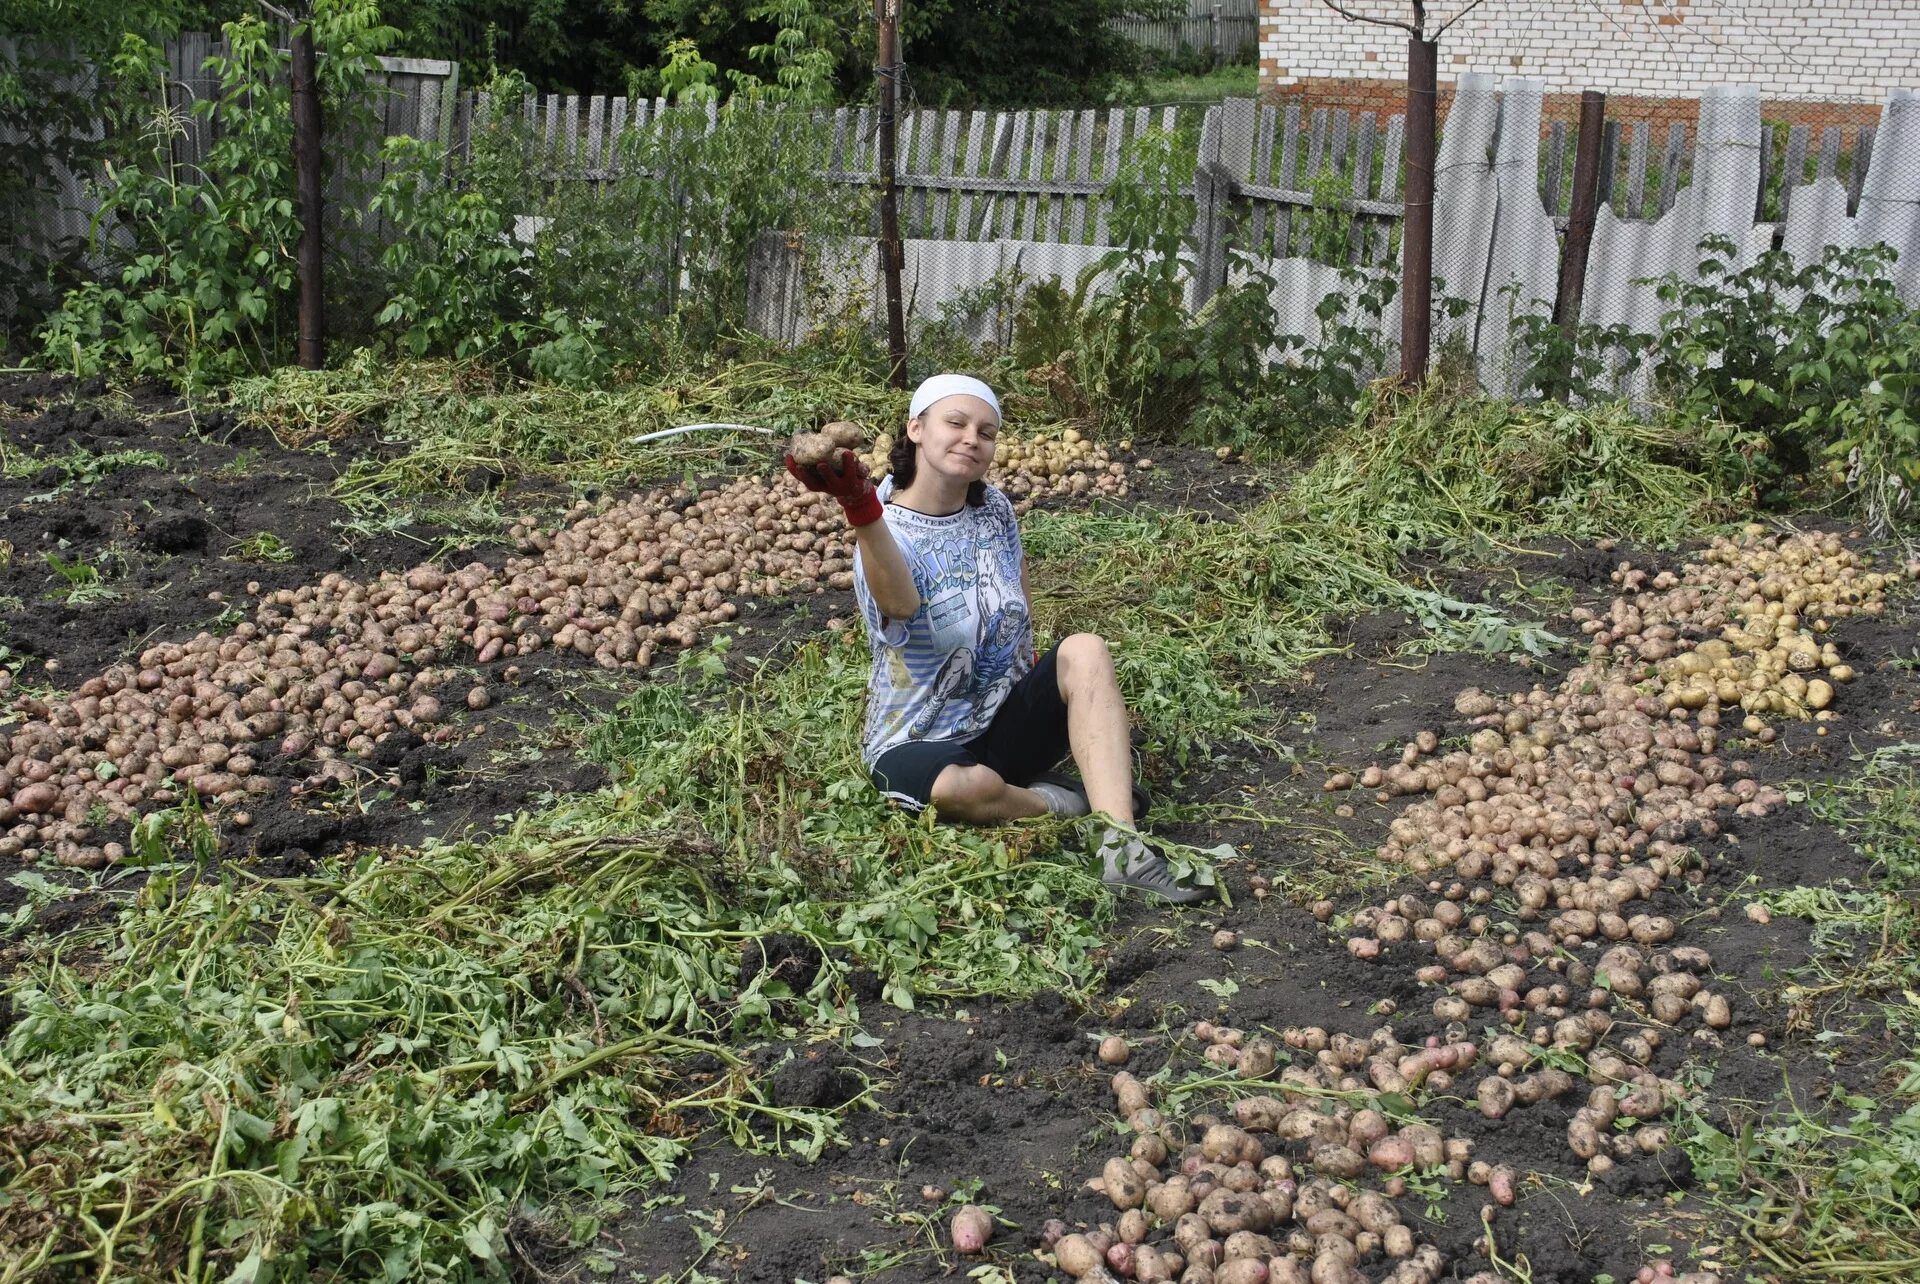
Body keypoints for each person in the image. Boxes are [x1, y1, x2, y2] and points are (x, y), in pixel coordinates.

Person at [784, 373, 1210, 904]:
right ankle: (1067, 803)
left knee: (1086, 649)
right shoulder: (884, 528)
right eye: (955, 423)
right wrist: (861, 509)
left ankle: (1122, 850)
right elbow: (899, 605)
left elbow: (1018, 589)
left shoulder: (994, 511)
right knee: (967, 789)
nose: (971, 438)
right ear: (916, 429)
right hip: (917, 740)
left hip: (1001, 722)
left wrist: (1033, 675)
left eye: (986, 432)